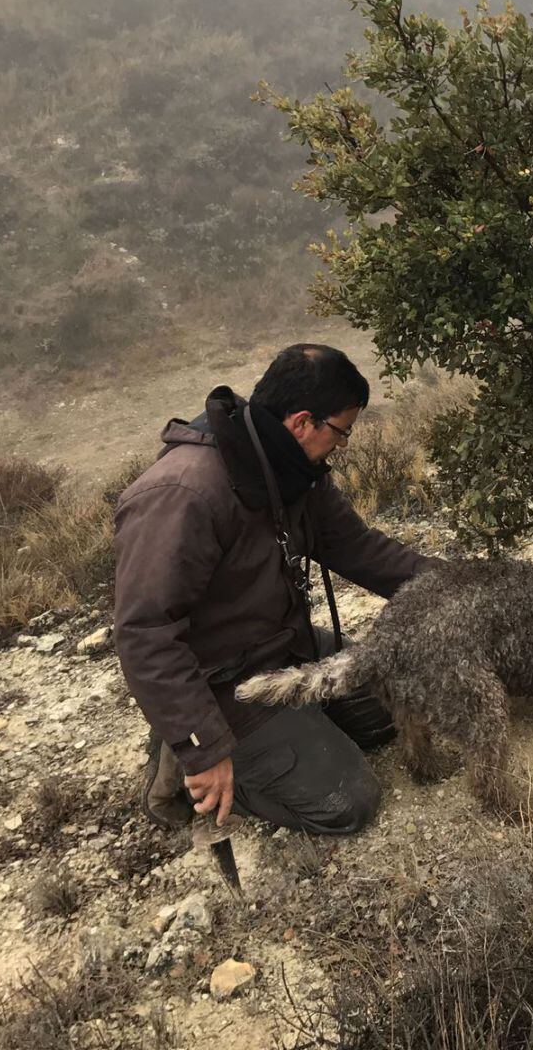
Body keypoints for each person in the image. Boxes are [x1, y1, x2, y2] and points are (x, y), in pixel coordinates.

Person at [113, 343, 436, 836]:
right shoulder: (182, 495)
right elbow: (144, 634)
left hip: (286, 649)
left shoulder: (294, 473)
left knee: (406, 699)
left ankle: (292, 737)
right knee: (347, 802)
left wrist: (456, 587)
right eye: (341, 432)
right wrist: (203, 747)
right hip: (223, 683)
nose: (343, 446)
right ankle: (181, 760)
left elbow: (358, 549)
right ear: (303, 421)